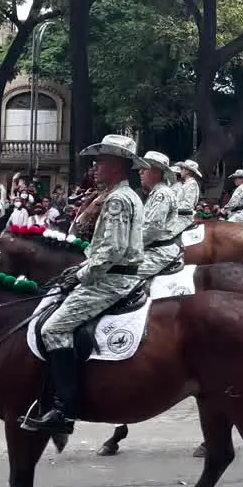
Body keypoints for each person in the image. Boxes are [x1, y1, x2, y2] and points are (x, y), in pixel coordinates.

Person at [21, 134, 146, 435]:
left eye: (101, 160)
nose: (95, 166)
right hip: (114, 273)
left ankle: (65, 409)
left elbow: (111, 251)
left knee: (54, 328)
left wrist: (81, 273)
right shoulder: (123, 195)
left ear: (116, 165)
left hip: (111, 280)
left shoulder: (117, 199)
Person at [136, 151, 183, 277]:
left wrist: (125, 247)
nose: (139, 172)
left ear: (156, 172)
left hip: (159, 252)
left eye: (143, 169)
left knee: (118, 276)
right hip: (152, 248)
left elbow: (151, 231)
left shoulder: (162, 194)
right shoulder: (155, 193)